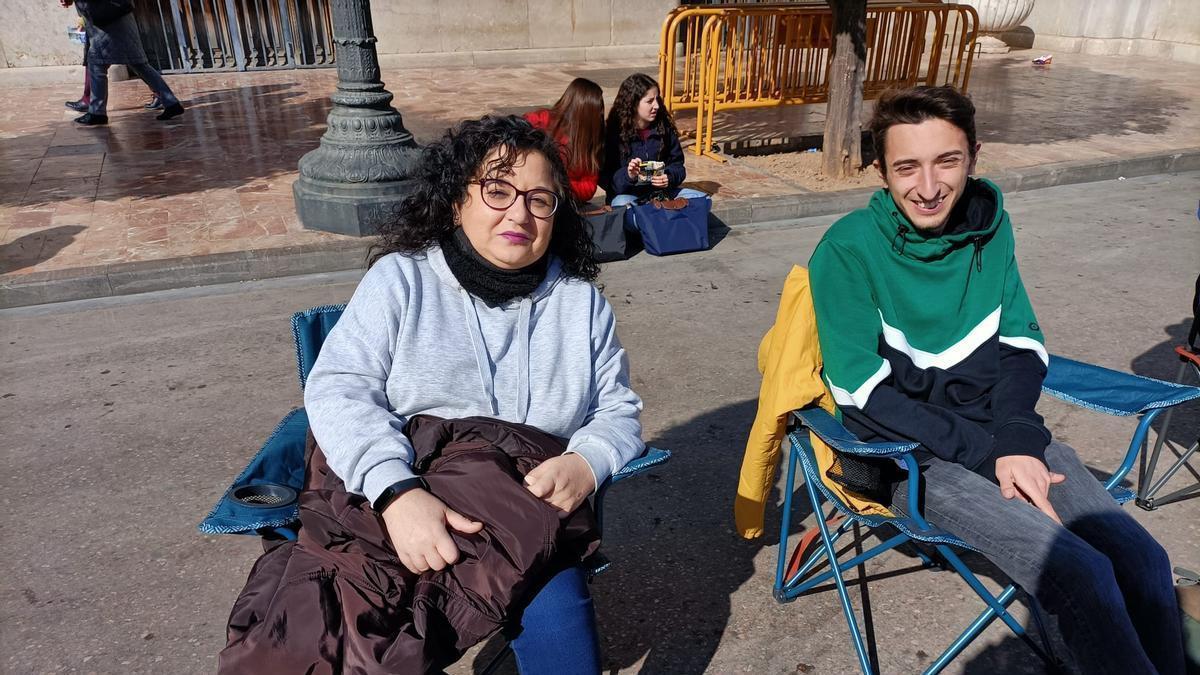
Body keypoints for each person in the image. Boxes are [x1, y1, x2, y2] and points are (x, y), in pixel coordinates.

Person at [807, 85, 1184, 674]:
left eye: (947, 161)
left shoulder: (991, 227)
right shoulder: (848, 250)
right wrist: (991, 454)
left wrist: (1014, 437)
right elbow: (862, 392)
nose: (928, 188)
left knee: (1143, 561)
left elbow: (1023, 343)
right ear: (880, 169)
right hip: (912, 460)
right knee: (1078, 573)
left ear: (974, 156)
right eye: (906, 167)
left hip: (1002, 436)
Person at [301, 115, 644, 673]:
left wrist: (589, 459)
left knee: (566, 655)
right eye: (497, 190)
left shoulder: (579, 304)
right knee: (342, 642)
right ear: (455, 200)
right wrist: (395, 494)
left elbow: (617, 407)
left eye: (540, 199)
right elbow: (340, 389)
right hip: (405, 508)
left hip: (525, 526)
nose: (519, 213)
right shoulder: (401, 281)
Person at [60, 0, 183, 125]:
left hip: (107, 21)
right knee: (138, 64)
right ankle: (171, 102)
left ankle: (97, 112)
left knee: (97, 64)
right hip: (116, 16)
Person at [601, 73, 706, 207]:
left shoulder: (664, 128)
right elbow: (606, 180)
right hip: (630, 197)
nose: (656, 105)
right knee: (622, 205)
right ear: (633, 103)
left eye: (657, 99)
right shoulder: (613, 133)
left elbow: (678, 166)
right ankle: (659, 217)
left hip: (661, 196)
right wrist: (628, 175)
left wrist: (668, 177)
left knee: (702, 199)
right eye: (650, 101)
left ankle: (656, 216)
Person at [523, 78, 605, 205]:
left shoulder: (590, 138)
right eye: (598, 110)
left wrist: (557, 184)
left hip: (564, 201)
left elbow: (589, 187)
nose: (601, 115)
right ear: (585, 111)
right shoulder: (541, 121)